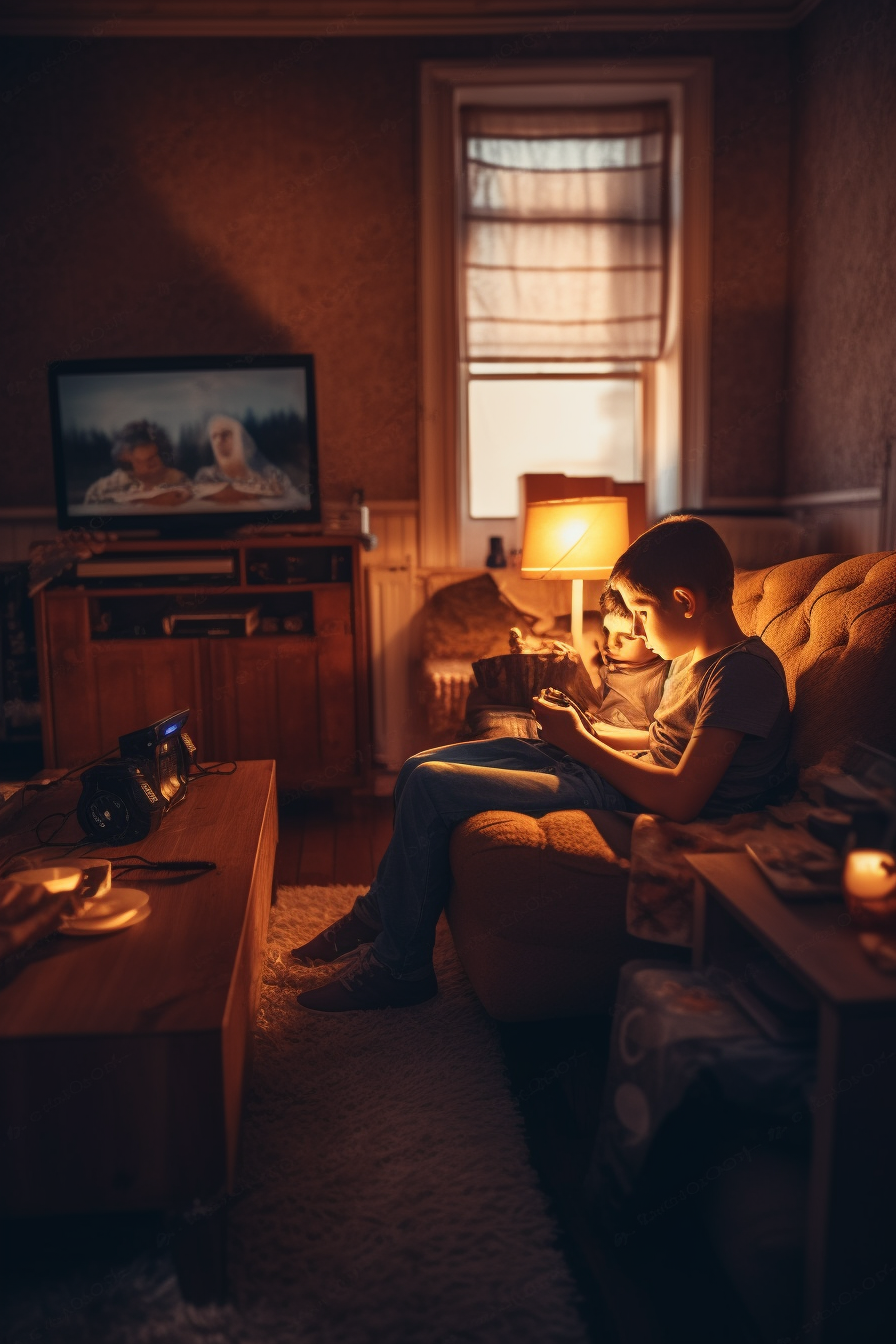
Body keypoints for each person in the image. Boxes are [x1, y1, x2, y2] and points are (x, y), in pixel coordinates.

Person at [293, 516, 794, 1014]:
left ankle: (400, 968)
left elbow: (682, 799)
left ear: (686, 601)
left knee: (430, 786)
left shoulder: (742, 673)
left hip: (631, 795)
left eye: (642, 611)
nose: (636, 629)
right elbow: (666, 739)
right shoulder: (693, 655)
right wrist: (587, 729)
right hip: (617, 768)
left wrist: (582, 744)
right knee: (416, 767)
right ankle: (379, 911)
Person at [592, 583, 670, 731]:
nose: (611, 643)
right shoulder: (610, 666)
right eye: (607, 632)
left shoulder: (656, 682)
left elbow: (657, 737)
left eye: (628, 636)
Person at [84, 420, 192, 507]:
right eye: (141, 461)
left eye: (155, 456)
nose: (153, 463)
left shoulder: (179, 480)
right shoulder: (102, 489)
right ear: (125, 463)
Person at [193, 414, 290, 504]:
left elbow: (287, 491)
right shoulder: (206, 476)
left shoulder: (267, 473)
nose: (218, 441)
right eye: (214, 436)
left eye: (225, 434)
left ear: (239, 438)